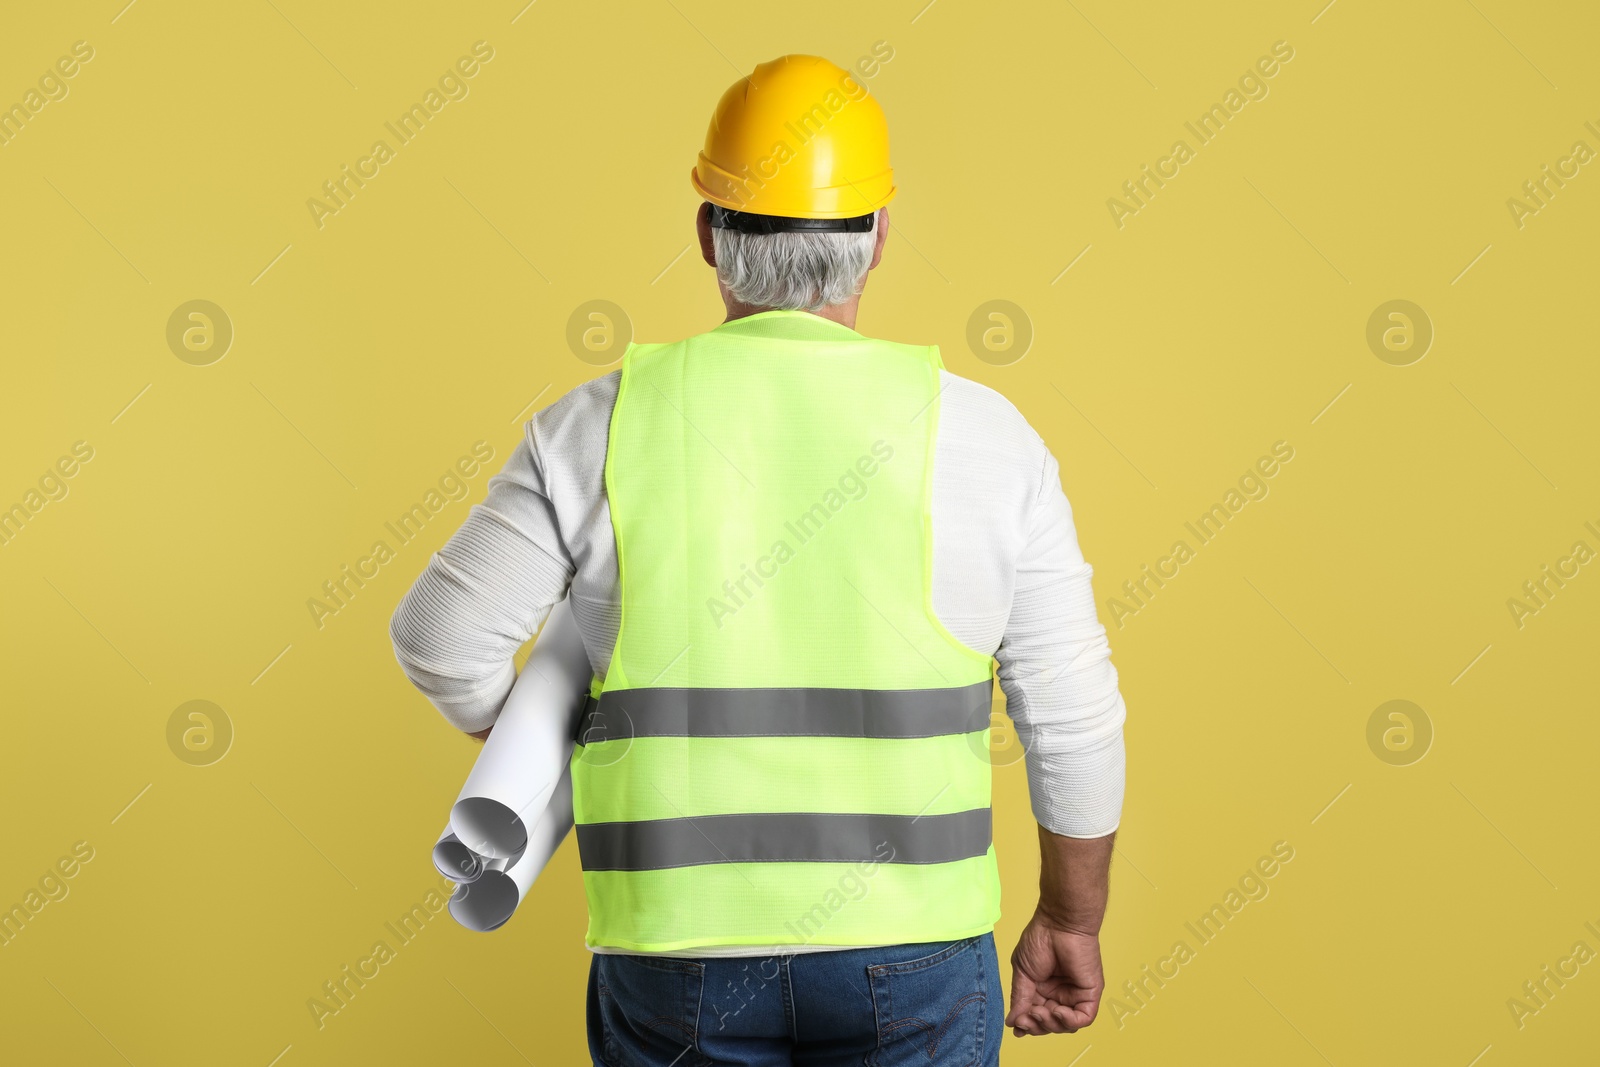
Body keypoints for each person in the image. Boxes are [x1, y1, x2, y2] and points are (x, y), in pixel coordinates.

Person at [391, 53, 1127, 1066]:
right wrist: (1069, 919)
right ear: (875, 241)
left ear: (708, 235)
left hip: (674, 952)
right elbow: (1073, 719)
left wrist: (540, 742)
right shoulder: (988, 437)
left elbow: (438, 640)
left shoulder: (596, 427)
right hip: (912, 953)